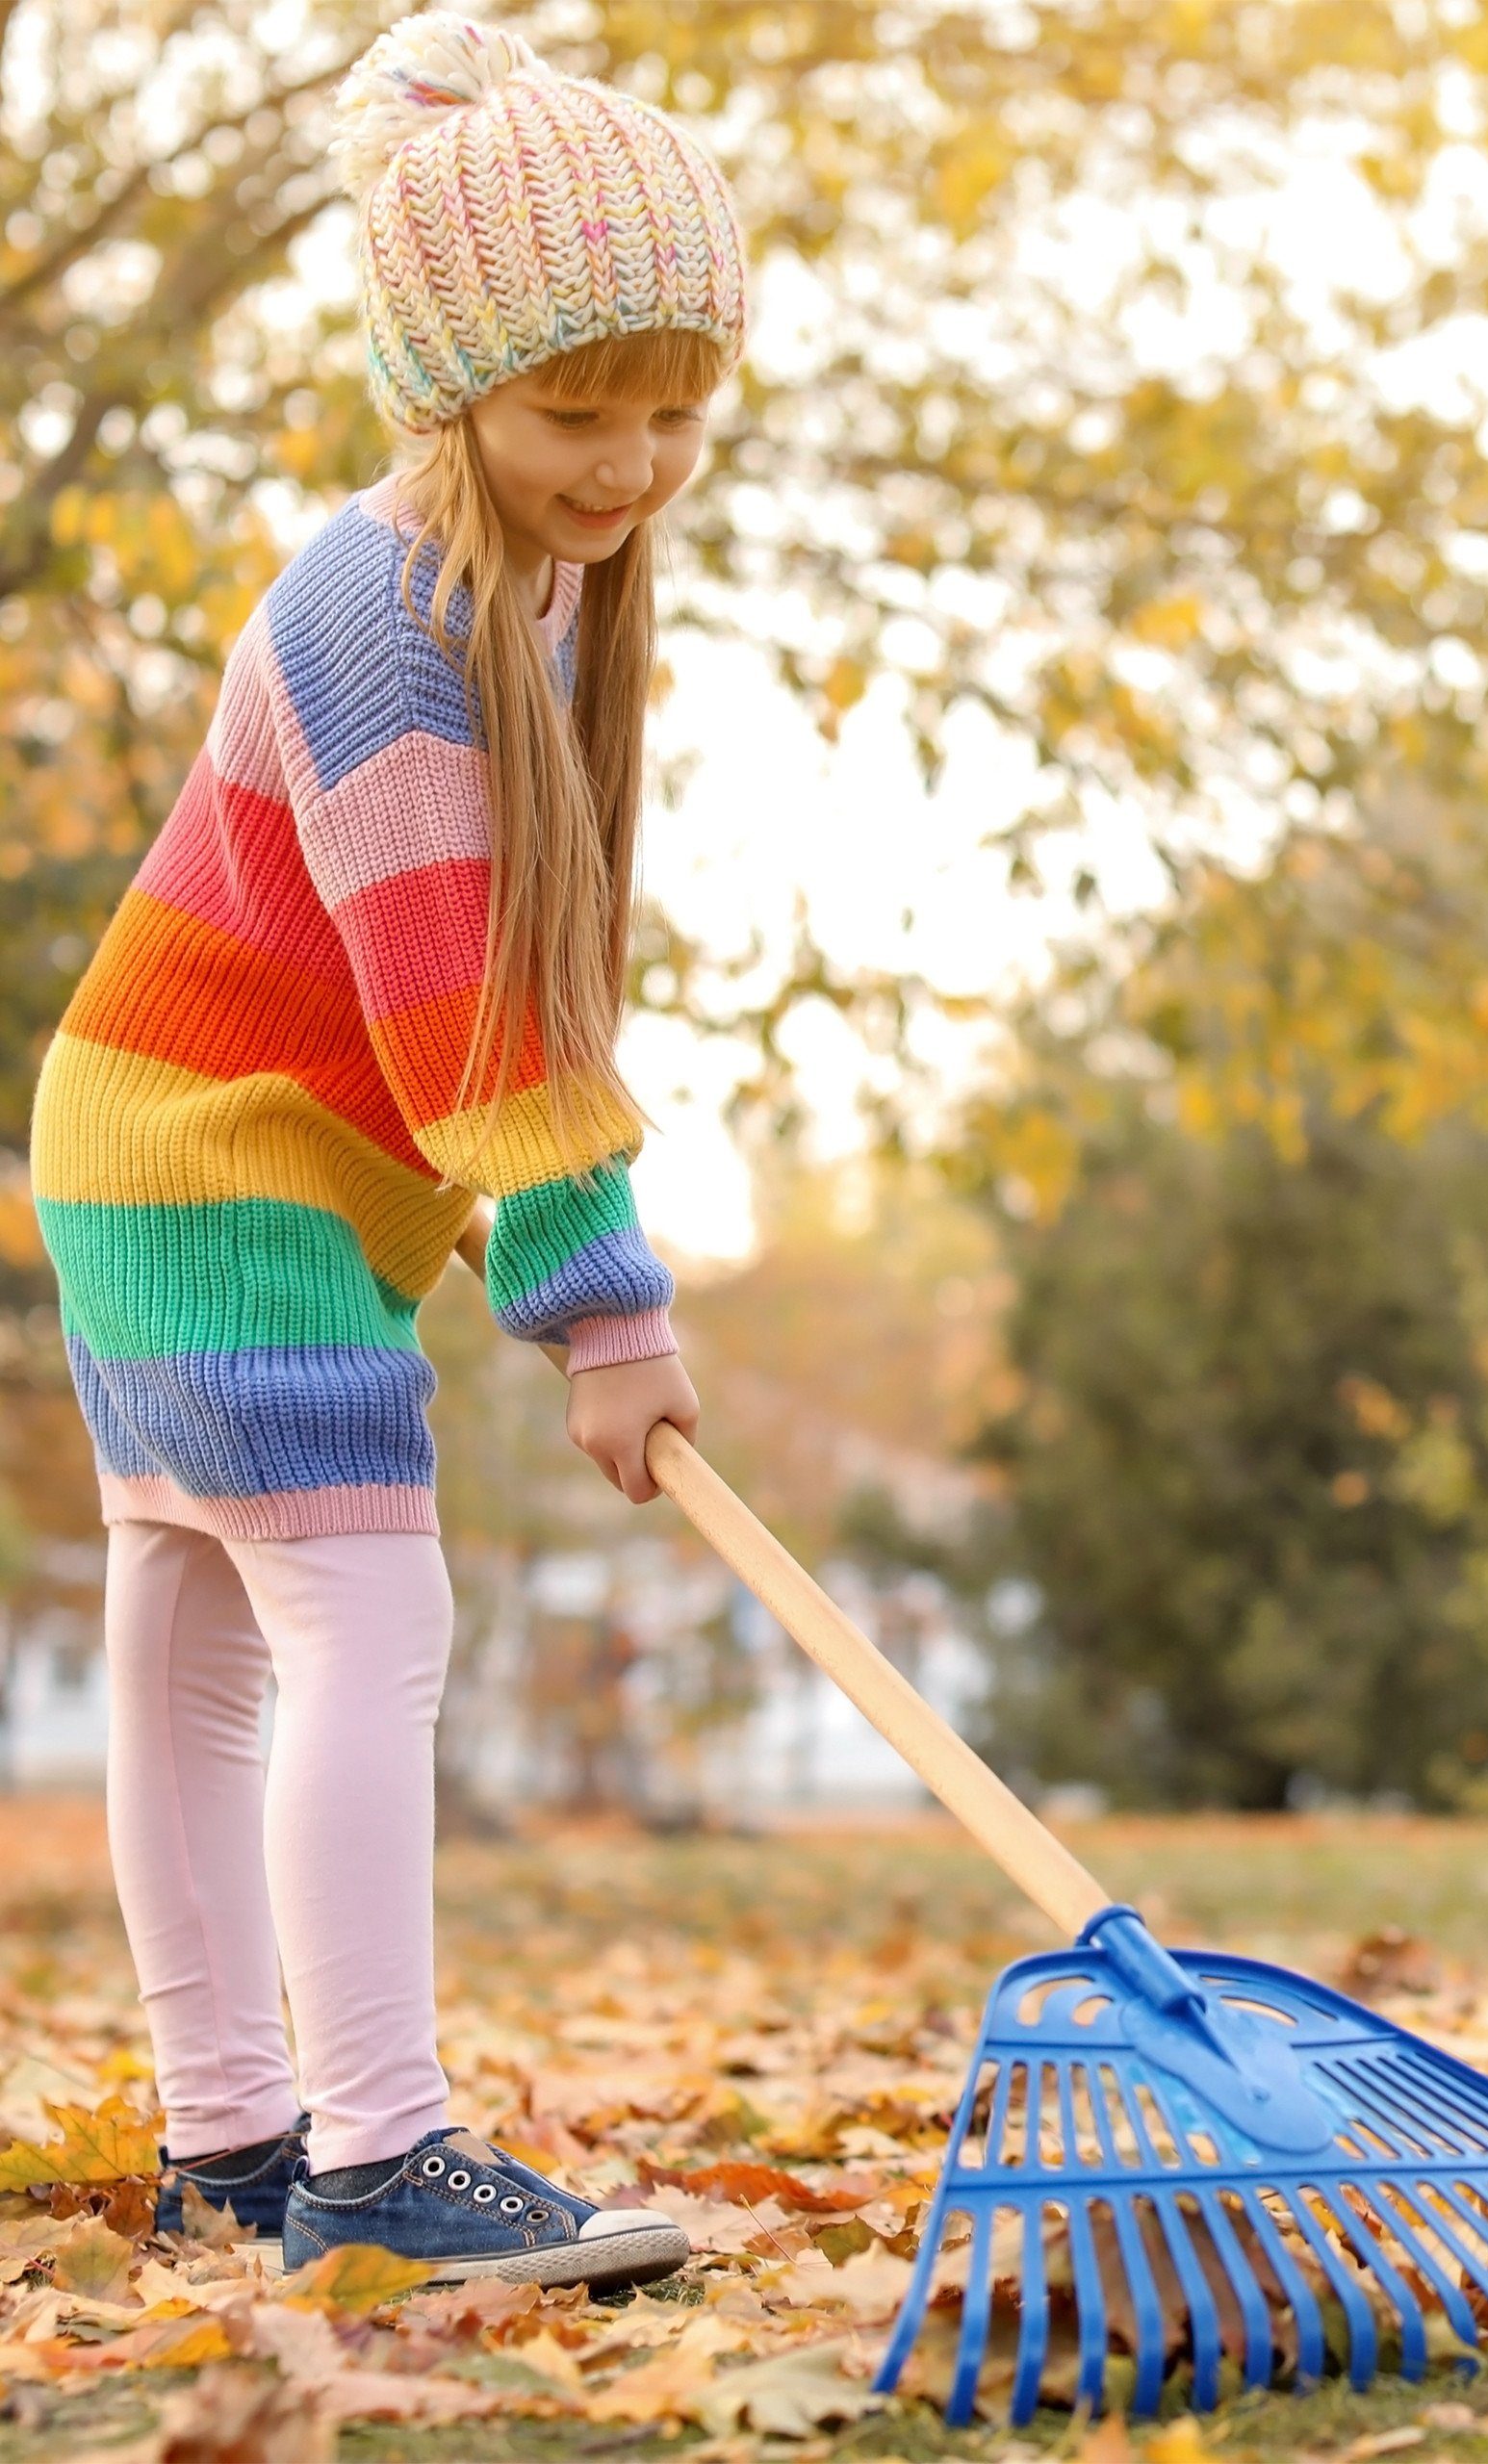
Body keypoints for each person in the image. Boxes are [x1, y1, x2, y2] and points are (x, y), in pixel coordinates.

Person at [26, 9, 750, 2286]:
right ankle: (373, 2152)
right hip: (210, 1156)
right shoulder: (389, 617)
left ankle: (239, 2143)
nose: (628, 460)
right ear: (448, 385)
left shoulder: (529, 588)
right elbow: (469, 996)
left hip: (175, 1146)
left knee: (203, 1631)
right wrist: (597, 1297)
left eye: (669, 410)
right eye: (575, 409)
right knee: (363, 1605)